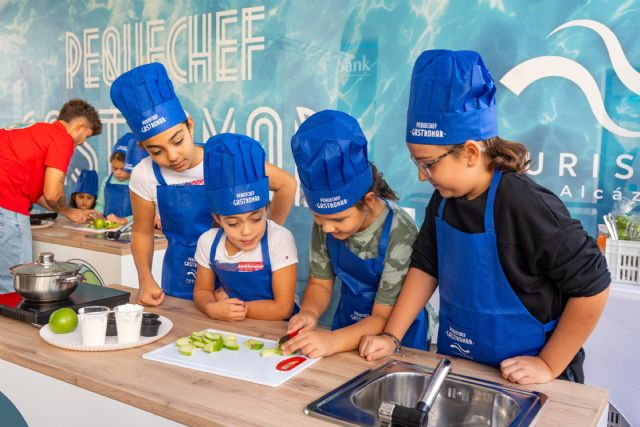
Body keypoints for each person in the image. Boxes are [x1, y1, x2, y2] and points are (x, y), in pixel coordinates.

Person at [359, 50, 610, 385]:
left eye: (428, 163)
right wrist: (392, 337)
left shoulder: (524, 204)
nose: (422, 175)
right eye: (416, 162)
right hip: (463, 368)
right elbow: (425, 265)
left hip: (532, 378)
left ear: (471, 153)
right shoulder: (443, 200)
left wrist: (549, 365)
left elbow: (593, 287)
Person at [110, 62, 297, 305]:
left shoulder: (225, 159)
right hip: (181, 278)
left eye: (177, 141)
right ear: (144, 148)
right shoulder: (145, 175)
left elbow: (286, 184)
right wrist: (145, 279)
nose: (173, 156)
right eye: (157, 151)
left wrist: (263, 237)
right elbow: (142, 232)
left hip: (236, 278)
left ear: (189, 125)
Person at [282, 110, 428, 359]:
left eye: (339, 219)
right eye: (318, 216)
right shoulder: (326, 223)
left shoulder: (399, 230)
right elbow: (319, 283)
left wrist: (332, 341)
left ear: (368, 201)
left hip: (392, 339)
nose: (327, 228)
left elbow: (383, 316)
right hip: (345, 328)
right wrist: (309, 312)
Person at [0, 99, 102, 293]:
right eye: (86, 136)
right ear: (80, 126)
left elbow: (39, 194)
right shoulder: (61, 138)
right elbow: (53, 194)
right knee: (13, 285)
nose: (81, 142)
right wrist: (70, 211)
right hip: (7, 204)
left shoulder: (35, 131)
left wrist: (66, 211)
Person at [193, 133, 299, 321]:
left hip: (280, 328)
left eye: (256, 218)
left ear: (267, 209)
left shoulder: (279, 239)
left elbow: (282, 308)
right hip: (235, 328)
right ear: (218, 218)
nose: (246, 231)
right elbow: (202, 290)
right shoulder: (208, 242)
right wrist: (211, 307)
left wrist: (231, 308)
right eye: (233, 223)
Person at [94, 133, 135, 225]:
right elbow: (100, 205)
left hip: (130, 229)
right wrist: (97, 213)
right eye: (114, 168)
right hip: (108, 227)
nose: (118, 173)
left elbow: (142, 213)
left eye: (123, 169)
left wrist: (124, 220)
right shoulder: (107, 181)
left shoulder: (137, 183)